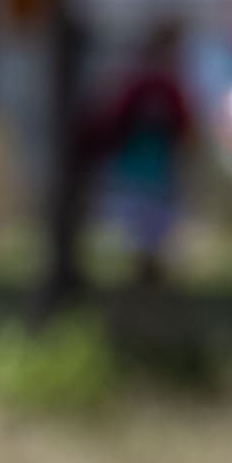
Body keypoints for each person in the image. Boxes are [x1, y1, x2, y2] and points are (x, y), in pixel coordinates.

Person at [86, 25, 200, 287]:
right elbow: (117, 122)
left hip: (159, 164)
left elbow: (183, 127)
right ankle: (143, 264)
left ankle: (152, 264)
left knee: (156, 217)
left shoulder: (170, 89)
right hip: (137, 162)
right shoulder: (138, 87)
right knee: (139, 215)